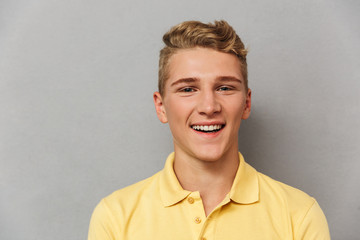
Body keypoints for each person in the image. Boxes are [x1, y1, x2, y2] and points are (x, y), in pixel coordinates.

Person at [88, 20, 330, 240]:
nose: (209, 107)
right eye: (187, 89)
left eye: (224, 88)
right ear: (161, 107)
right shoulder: (115, 217)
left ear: (246, 103)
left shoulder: (299, 215)